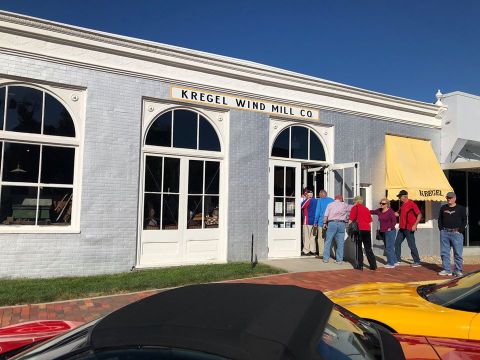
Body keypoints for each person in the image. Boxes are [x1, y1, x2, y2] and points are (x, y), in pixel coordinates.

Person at [437, 191, 467, 277]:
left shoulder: (461, 208)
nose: (448, 199)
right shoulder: (443, 208)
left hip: (456, 233)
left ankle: (458, 270)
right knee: (444, 252)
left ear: (455, 198)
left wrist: (460, 231)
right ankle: (447, 270)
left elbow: (464, 220)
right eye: (447, 198)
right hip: (445, 233)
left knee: (457, 253)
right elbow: (440, 219)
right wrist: (441, 229)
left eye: (450, 198)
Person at [394, 190, 422, 267]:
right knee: (397, 243)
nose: (399, 198)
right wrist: (387, 212)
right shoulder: (402, 205)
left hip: (409, 228)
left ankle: (417, 261)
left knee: (411, 245)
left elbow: (419, 215)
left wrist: (415, 225)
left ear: (405, 196)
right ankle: (397, 259)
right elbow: (397, 214)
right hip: (402, 228)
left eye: (400, 197)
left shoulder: (412, 204)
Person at [348, 196, 377, 271]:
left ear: (356, 201)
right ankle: (373, 265)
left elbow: (351, 220)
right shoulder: (366, 209)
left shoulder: (354, 208)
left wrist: (349, 229)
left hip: (359, 230)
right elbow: (369, 221)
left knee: (359, 248)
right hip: (367, 230)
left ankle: (359, 265)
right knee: (368, 248)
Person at [322, 194, 350, 264]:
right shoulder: (345, 205)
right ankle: (339, 260)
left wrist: (324, 223)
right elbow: (350, 212)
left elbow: (326, 215)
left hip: (332, 223)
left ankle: (325, 259)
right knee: (340, 242)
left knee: (328, 241)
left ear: (335, 199)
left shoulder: (330, 204)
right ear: (341, 199)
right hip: (342, 224)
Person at [371, 198, 397, 268]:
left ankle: (391, 263)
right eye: (381, 203)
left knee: (389, 247)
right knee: (388, 247)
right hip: (383, 231)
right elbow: (372, 212)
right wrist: (363, 210)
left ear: (387, 204)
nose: (381, 205)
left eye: (383, 204)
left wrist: (390, 228)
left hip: (390, 232)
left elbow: (394, 221)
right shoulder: (379, 211)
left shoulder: (390, 211)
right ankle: (394, 261)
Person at [313, 189, 334, 258]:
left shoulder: (320, 200)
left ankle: (321, 254)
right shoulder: (332, 200)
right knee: (330, 238)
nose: (319, 195)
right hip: (331, 222)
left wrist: (315, 222)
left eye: (319, 194)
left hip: (321, 222)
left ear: (322, 194)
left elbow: (317, 212)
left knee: (321, 238)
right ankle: (332, 253)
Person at [301, 189, 317, 256]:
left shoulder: (308, 200)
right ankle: (313, 250)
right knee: (312, 237)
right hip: (315, 221)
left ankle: (306, 250)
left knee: (306, 236)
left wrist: (305, 199)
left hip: (307, 220)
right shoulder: (316, 200)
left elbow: (301, 206)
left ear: (308, 195)